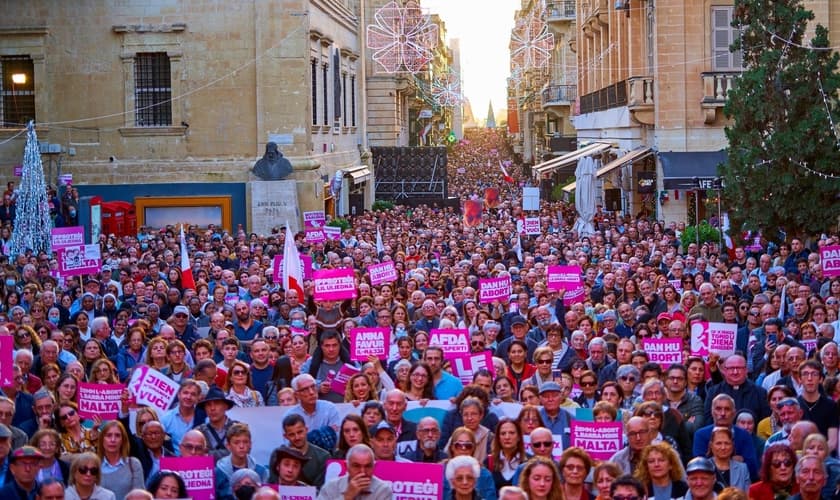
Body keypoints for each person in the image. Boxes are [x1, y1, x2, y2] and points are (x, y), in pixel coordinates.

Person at [317, 444, 391, 500]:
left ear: (374, 466)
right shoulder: (331, 487)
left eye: (368, 466)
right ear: (346, 466)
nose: (363, 472)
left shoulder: (383, 489)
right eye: (356, 466)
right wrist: (347, 496)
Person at [215, 423, 268, 498]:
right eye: (236, 442)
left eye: (245, 442)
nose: (241, 446)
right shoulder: (218, 472)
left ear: (250, 444)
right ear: (228, 446)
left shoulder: (261, 471)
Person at [97, 420, 144, 499]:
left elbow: (139, 497)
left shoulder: (133, 464)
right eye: (108, 435)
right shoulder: (94, 466)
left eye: (117, 436)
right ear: (102, 439)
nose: (113, 440)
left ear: (123, 440)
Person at [280, 413, 329, 488]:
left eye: (300, 432)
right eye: (292, 434)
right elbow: (273, 485)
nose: (297, 437)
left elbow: (321, 490)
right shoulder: (278, 454)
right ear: (285, 436)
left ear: (306, 430)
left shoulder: (323, 456)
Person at [196, 386, 239, 461]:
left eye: (217, 403)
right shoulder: (198, 432)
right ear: (205, 408)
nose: (212, 408)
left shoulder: (238, 429)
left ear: (225, 406)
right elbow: (196, 456)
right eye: (208, 405)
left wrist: (209, 454)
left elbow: (240, 453)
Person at [706, 426, 750, 492]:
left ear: (732, 445)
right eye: (718, 443)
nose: (723, 447)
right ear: (711, 445)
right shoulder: (704, 467)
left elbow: (747, 495)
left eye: (727, 443)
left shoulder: (742, 469)